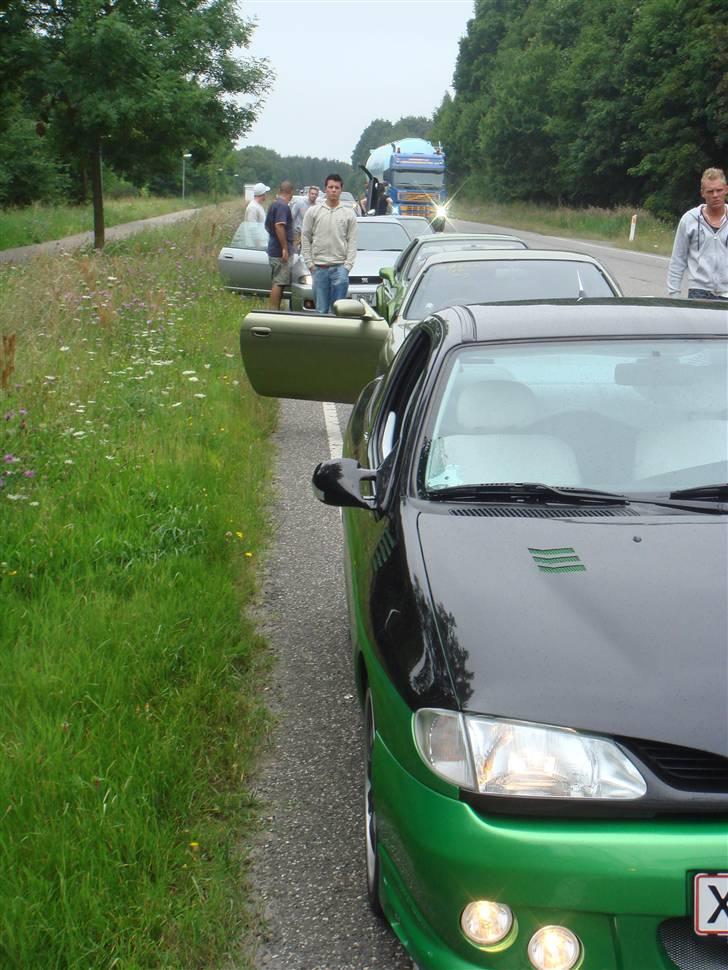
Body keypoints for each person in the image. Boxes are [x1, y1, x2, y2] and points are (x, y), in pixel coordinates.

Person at [667, 167, 728, 300]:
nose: (715, 195)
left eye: (719, 190)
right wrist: (674, 295)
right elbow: (678, 259)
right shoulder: (689, 220)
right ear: (702, 193)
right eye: (710, 191)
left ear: (726, 189)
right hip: (699, 292)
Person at [301, 173, 357, 313]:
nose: (333, 190)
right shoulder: (313, 212)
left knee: (339, 311)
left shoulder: (348, 214)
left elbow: (352, 241)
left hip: (340, 269)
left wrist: (347, 266)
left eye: (336, 187)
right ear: (325, 189)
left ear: (341, 190)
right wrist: (310, 264)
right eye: (330, 187)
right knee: (321, 310)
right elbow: (305, 237)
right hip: (319, 269)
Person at [264, 181, 295, 309]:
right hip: (279, 252)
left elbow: (267, 226)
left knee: (278, 281)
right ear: (290, 192)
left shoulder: (273, 204)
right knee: (279, 282)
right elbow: (279, 226)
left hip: (273, 248)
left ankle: (275, 309)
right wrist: (284, 248)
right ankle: (273, 311)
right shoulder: (283, 206)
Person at [291, 185, 319, 252]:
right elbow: (292, 217)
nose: (314, 196)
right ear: (308, 194)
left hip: (308, 235)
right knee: (293, 252)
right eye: (312, 193)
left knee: (305, 253)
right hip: (297, 233)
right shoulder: (300, 203)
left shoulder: (317, 207)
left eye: (315, 194)